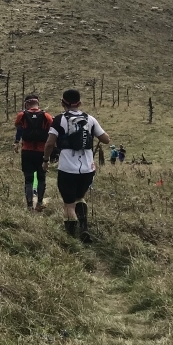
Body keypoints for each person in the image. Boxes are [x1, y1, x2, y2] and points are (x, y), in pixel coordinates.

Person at [42, 89, 112, 243]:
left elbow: (49, 143)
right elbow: (106, 139)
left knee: (68, 204)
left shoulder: (59, 119)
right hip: (87, 169)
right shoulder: (90, 119)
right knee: (80, 197)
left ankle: (71, 237)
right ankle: (84, 228)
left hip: (67, 169)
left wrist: (46, 160)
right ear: (79, 103)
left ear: (62, 102)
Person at [14, 95, 53, 212]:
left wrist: (17, 141)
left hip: (27, 151)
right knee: (41, 178)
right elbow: (52, 129)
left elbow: (18, 126)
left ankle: (30, 205)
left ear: (26, 104)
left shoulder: (22, 115)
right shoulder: (46, 116)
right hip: (42, 151)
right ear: (38, 103)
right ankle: (40, 203)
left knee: (29, 179)